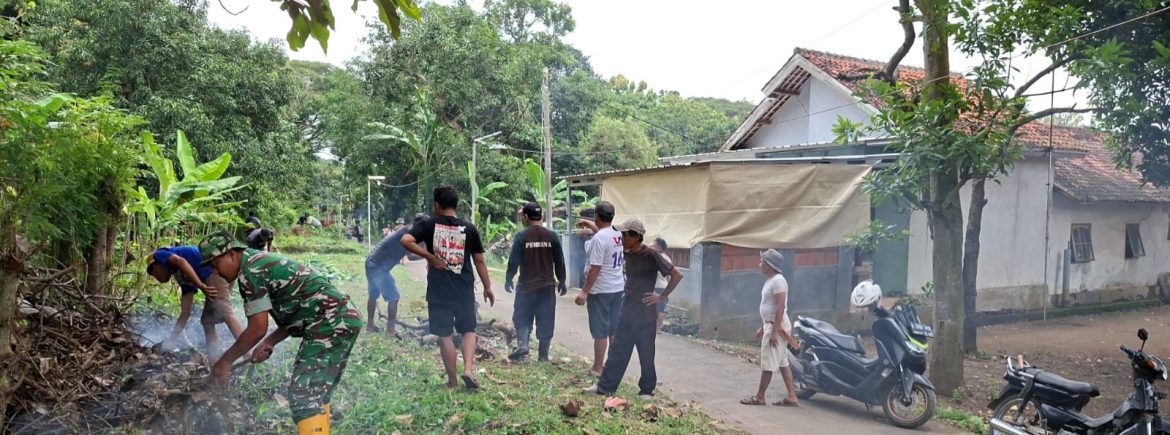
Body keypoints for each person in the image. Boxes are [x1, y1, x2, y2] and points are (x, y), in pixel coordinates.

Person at [199, 232, 363, 434]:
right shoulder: (256, 262)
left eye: (214, 264)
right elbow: (298, 308)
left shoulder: (250, 271)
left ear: (231, 254)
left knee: (304, 395)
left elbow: (257, 329)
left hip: (329, 322)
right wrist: (270, 342)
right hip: (344, 317)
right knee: (318, 392)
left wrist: (224, 363)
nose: (215, 272)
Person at [401, 185, 495, 391]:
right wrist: (488, 287)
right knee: (469, 330)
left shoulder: (428, 224)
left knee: (445, 335)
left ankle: (452, 382)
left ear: (436, 205)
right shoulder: (469, 228)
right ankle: (469, 369)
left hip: (439, 291)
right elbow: (479, 261)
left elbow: (406, 240)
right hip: (464, 289)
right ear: (455, 205)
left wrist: (430, 257)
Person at [584, 219, 682, 401]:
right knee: (617, 352)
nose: (621, 237)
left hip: (645, 315)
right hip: (626, 311)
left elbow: (676, 275)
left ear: (637, 236)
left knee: (646, 354)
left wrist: (661, 296)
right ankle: (605, 387)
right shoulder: (626, 252)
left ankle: (646, 391)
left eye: (625, 234)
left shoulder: (651, 255)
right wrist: (592, 227)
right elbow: (604, 236)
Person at [147, 245, 243, 361]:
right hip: (212, 277)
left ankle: (246, 349)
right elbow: (185, 313)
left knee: (223, 309)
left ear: (157, 264)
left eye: (151, 272)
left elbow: (181, 261)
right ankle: (214, 359)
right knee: (207, 320)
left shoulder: (160, 254)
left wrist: (200, 285)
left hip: (215, 271)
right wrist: (172, 339)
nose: (156, 278)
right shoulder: (182, 276)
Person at [504, 203, 567, 362]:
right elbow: (559, 261)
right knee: (546, 320)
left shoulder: (521, 236)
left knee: (522, 317)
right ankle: (543, 356)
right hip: (547, 287)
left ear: (525, 217)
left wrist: (508, 278)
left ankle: (523, 345)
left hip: (526, 287)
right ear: (541, 217)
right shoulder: (552, 236)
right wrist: (562, 280)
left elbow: (513, 261)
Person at [741, 249, 800, 407]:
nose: (759, 264)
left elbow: (780, 307)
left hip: (777, 327)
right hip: (772, 325)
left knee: (768, 361)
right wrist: (763, 327)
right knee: (782, 361)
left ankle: (760, 397)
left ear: (769, 264)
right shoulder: (771, 280)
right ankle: (792, 396)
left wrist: (773, 332)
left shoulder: (778, 281)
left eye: (762, 262)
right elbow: (770, 307)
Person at [574, 201, 624, 377]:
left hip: (601, 291)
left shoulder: (598, 239)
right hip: (617, 288)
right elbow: (602, 233)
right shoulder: (616, 234)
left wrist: (584, 291)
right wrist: (589, 224)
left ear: (596, 215)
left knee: (600, 331)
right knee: (612, 329)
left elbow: (595, 268)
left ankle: (597, 368)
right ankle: (612, 366)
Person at [365, 213, 427, 336]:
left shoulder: (408, 229)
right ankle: (390, 328)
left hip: (371, 261)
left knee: (373, 294)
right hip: (378, 266)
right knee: (394, 297)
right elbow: (411, 257)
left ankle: (370, 325)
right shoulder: (409, 233)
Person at [649, 238, 673, 333]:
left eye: (653, 245)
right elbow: (669, 275)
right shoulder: (667, 258)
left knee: (653, 308)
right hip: (664, 286)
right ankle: (657, 329)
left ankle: (652, 328)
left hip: (656, 286)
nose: (652, 246)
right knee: (661, 308)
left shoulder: (656, 257)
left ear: (659, 247)